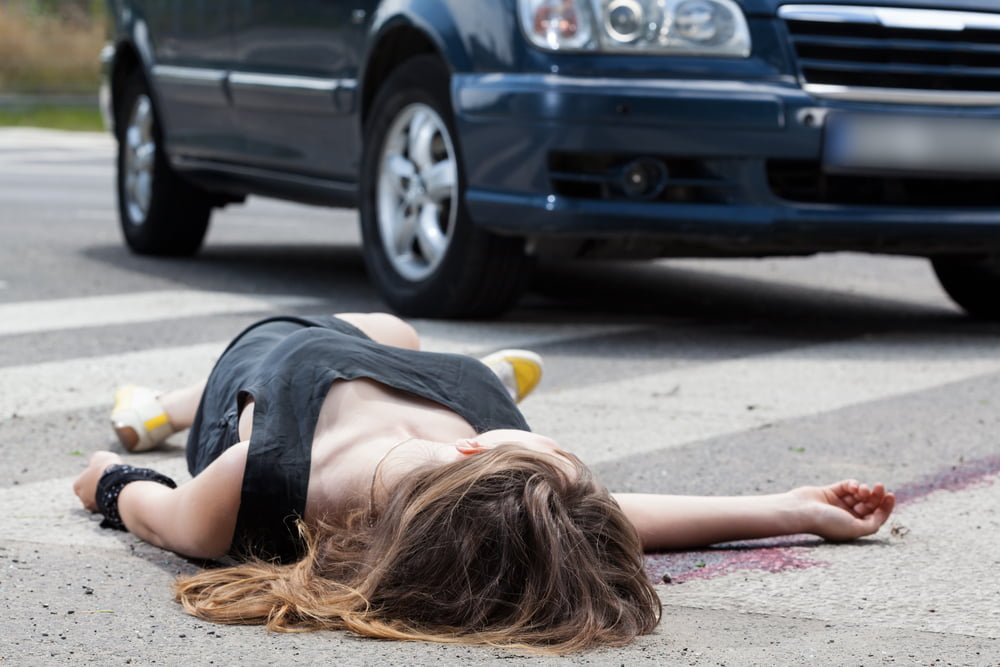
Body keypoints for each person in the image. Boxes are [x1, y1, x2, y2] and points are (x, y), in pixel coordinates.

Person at [73, 313, 895, 654]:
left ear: (474, 457)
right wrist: (792, 510)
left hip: (266, 373)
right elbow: (606, 518)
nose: (584, 474)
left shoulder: (271, 482)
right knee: (397, 331)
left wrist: (109, 481)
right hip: (432, 384)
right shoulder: (497, 494)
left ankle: (160, 407)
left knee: (373, 326)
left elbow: (162, 517)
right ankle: (473, 371)